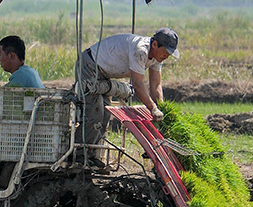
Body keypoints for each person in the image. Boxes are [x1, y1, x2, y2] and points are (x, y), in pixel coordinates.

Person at [76, 28, 180, 161]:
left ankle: (91, 156)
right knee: (94, 113)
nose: (167, 56)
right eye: (165, 52)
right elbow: (138, 84)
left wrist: (161, 108)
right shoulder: (140, 50)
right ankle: (79, 156)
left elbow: (155, 86)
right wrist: (152, 108)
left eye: (169, 54)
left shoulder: (157, 58)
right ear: (155, 44)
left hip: (104, 73)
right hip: (90, 65)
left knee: (105, 113)